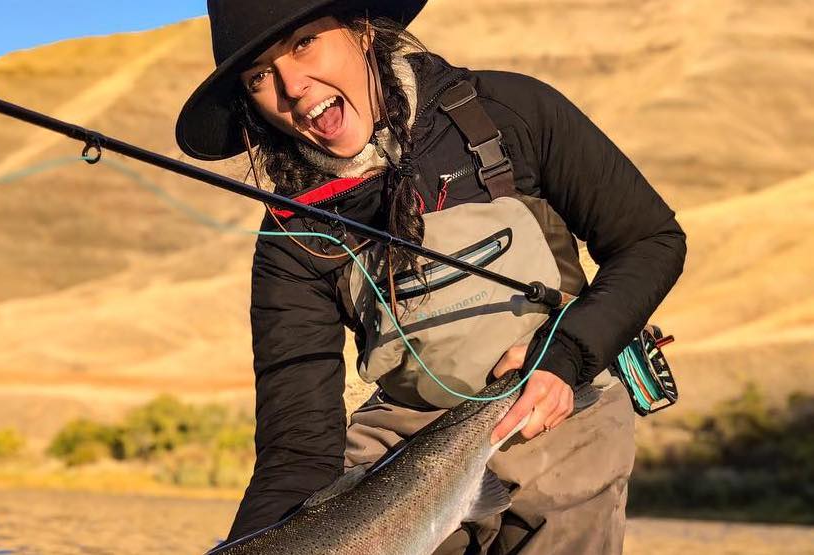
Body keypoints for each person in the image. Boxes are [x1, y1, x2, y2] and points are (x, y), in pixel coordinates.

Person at [175, 1, 686, 553]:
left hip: (565, 408)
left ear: (361, 31)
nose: (292, 85)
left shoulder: (509, 111)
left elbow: (651, 241)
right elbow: (299, 450)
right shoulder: (291, 232)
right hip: (403, 455)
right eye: (259, 76)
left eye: (304, 44)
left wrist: (566, 356)